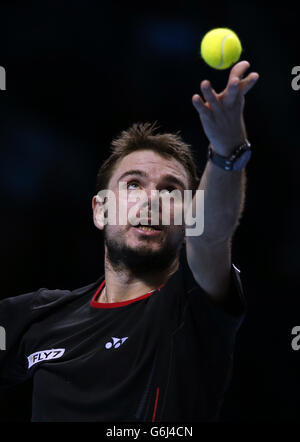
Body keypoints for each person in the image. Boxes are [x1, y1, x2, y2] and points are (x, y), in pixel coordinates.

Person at [0, 61, 259, 422]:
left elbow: (212, 236)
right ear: (100, 211)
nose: (151, 200)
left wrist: (227, 148)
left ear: (188, 219)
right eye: (134, 184)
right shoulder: (36, 316)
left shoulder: (193, 305)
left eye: (171, 191)